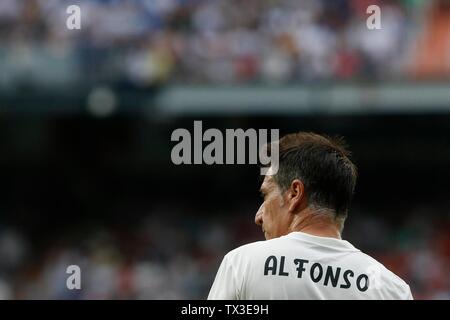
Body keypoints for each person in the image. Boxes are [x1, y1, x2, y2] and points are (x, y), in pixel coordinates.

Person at [208, 132, 413, 299]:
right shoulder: (392, 289)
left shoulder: (243, 264)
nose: (258, 215)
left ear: (294, 193)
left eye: (266, 194)